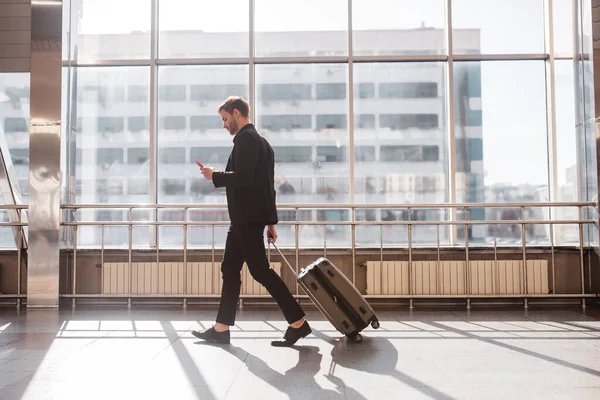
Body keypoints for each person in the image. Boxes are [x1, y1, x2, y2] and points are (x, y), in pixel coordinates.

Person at [192, 96, 311, 346]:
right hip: (247, 220)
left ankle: (298, 322)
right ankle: (221, 328)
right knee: (230, 269)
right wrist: (270, 222)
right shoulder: (263, 143)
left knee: (261, 271)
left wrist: (214, 175)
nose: (224, 125)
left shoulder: (246, 139)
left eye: (225, 119)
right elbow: (266, 186)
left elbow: (244, 178)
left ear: (236, 113)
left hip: (246, 219)